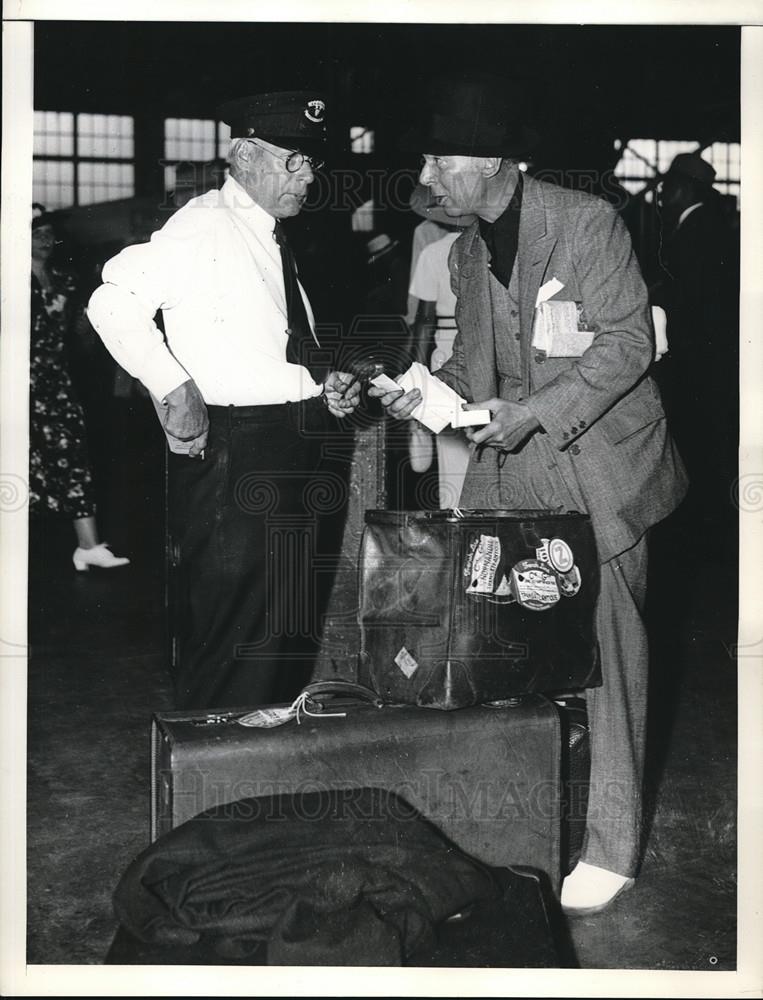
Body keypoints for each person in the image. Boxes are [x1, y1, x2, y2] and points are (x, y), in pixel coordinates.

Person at [370, 75, 688, 914]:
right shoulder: (467, 251)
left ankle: (613, 844)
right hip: (514, 473)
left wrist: (536, 413)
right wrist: (422, 391)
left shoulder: (585, 224)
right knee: (507, 649)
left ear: (497, 162)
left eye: (443, 157)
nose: (429, 173)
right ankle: (509, 814)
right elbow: (478, 369)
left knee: (610, 663)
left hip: (598, 472)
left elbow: (625, 346)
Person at [87, 91, 360, 710]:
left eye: (311, 163)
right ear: (242, 154)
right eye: (293, 160)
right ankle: (217, 792)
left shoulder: (269, 236)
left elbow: (271, 351)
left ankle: (258, 782)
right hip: (241, 456)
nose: (308, 176)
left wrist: (323, 389)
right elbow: (111, 301)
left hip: (290, 443)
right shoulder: (204, 223)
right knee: (237, 638)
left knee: (279, 634)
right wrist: (171, 384)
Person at [29, 206, 130, 572]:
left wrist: (91, 323)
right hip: (16, 384)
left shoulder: (66, 281)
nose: (44, 239)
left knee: (73, 455)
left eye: (48, 233)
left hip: (55, 384)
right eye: (36, 231)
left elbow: (80, 342)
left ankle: (88, 545)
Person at [652, 152, 739, 546]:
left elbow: (691, 298)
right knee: (706, 436)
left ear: (683, 189)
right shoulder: (709, 226)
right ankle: (708, 520)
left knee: (699, 437)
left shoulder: (697, 231)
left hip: (697, 359)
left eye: (667, 187)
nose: (661, 194)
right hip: (708, 356)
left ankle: (704, 524)